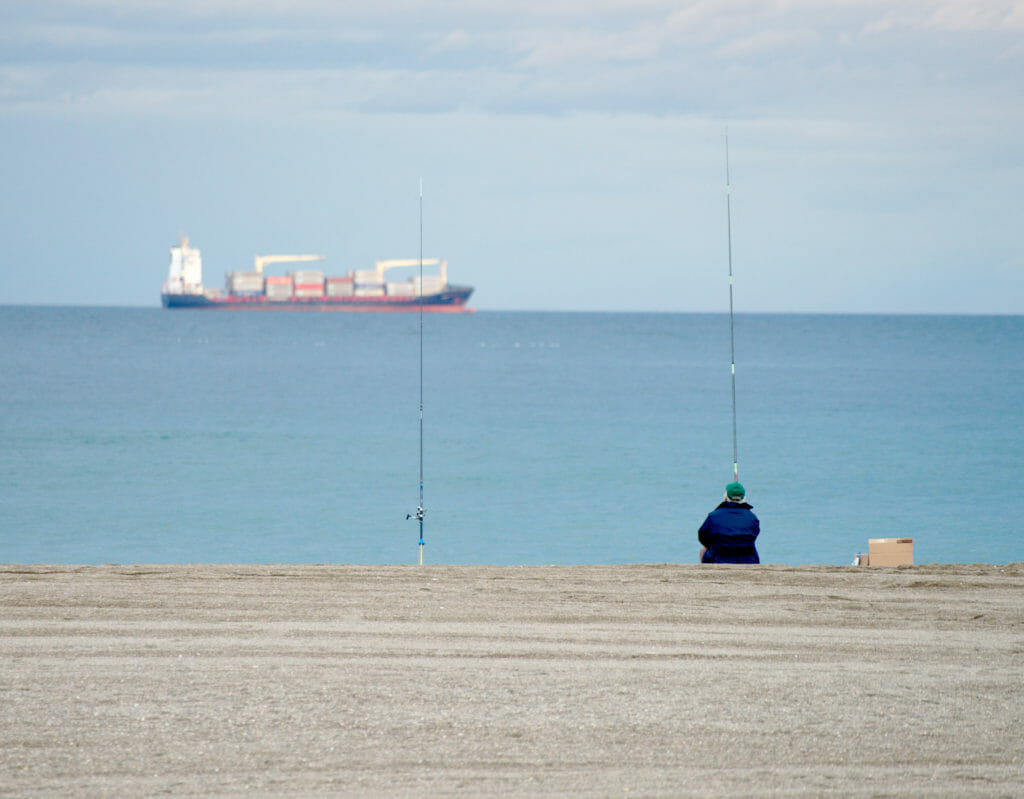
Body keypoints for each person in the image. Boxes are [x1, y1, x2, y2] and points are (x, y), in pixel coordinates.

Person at [698, 481, 760, 564]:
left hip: (719, 557)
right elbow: (754, 535)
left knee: (703, 551)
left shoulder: (714, 516)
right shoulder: (752, 517)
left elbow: (703, 536)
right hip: (747, 559)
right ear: (743, 498)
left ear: (725, 497)